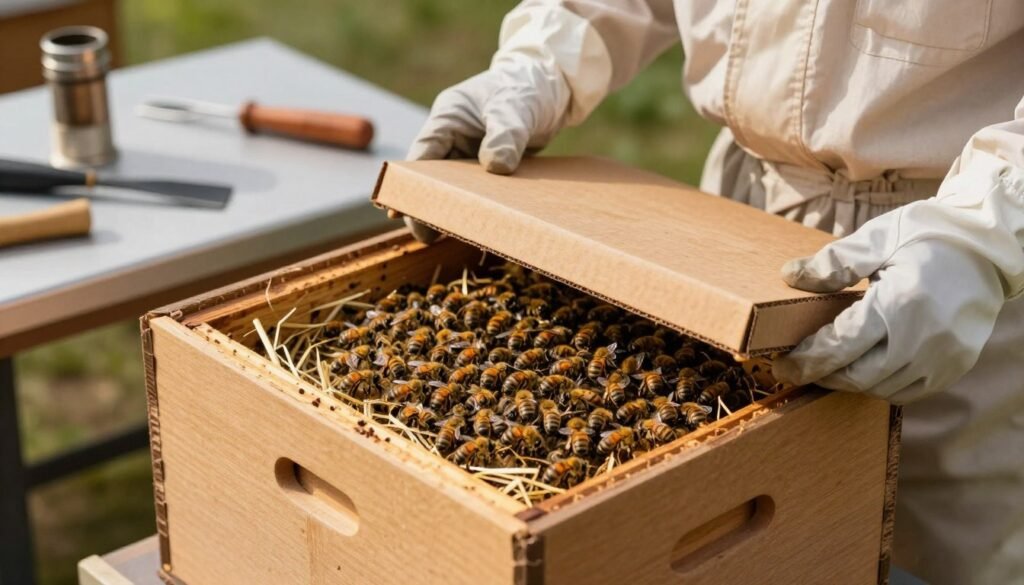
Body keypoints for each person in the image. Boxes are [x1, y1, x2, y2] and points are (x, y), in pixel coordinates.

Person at [404, 2, 1024, 583]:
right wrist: (543, 57)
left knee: (918, 553)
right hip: (737, 225)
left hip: (941, 257)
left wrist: (982, 232)